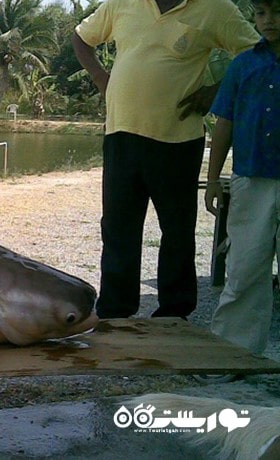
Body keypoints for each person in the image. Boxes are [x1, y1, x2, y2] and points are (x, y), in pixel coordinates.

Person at [72, 0, 260, 320]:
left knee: (177, 230)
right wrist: (101, 78)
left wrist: (218, 90)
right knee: (118, 227)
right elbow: (81, 37)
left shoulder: (215, 8)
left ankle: (174, 311)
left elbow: (257, 52)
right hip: (121, 134)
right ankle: (116, 310)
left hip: (178, 140)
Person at [204, 0, 280, 357]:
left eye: (278, 11)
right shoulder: (243, 65)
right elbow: (225, 123)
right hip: (250, 178)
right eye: (262, 13)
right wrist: (214, 177)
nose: (269, 21)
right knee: (244, 269)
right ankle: (233, 353)